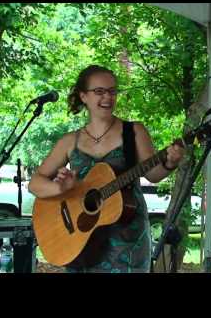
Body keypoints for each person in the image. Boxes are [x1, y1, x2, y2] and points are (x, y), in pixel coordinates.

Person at [28, 64, 184, 273]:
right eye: (99, 91)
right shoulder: (69, 141)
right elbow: (35, 183)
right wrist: (61, 189)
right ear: (83, 96)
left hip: (128, 239)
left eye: (112, 91)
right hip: (81, 239)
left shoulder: (134, 131)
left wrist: (170, 163)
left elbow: (153, 175)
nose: (107, 97)